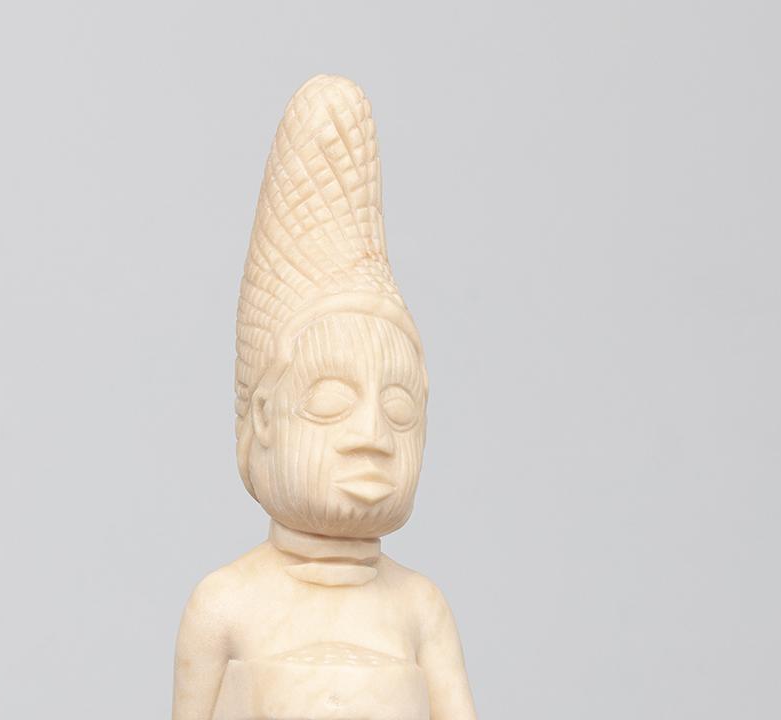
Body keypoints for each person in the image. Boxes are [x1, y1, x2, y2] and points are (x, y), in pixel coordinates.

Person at [172, 75, 477, 720]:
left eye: (400, 410)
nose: (372, 436)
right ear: (263, 417)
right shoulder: (225, 605)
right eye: (332, 400)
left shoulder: (419, 610)